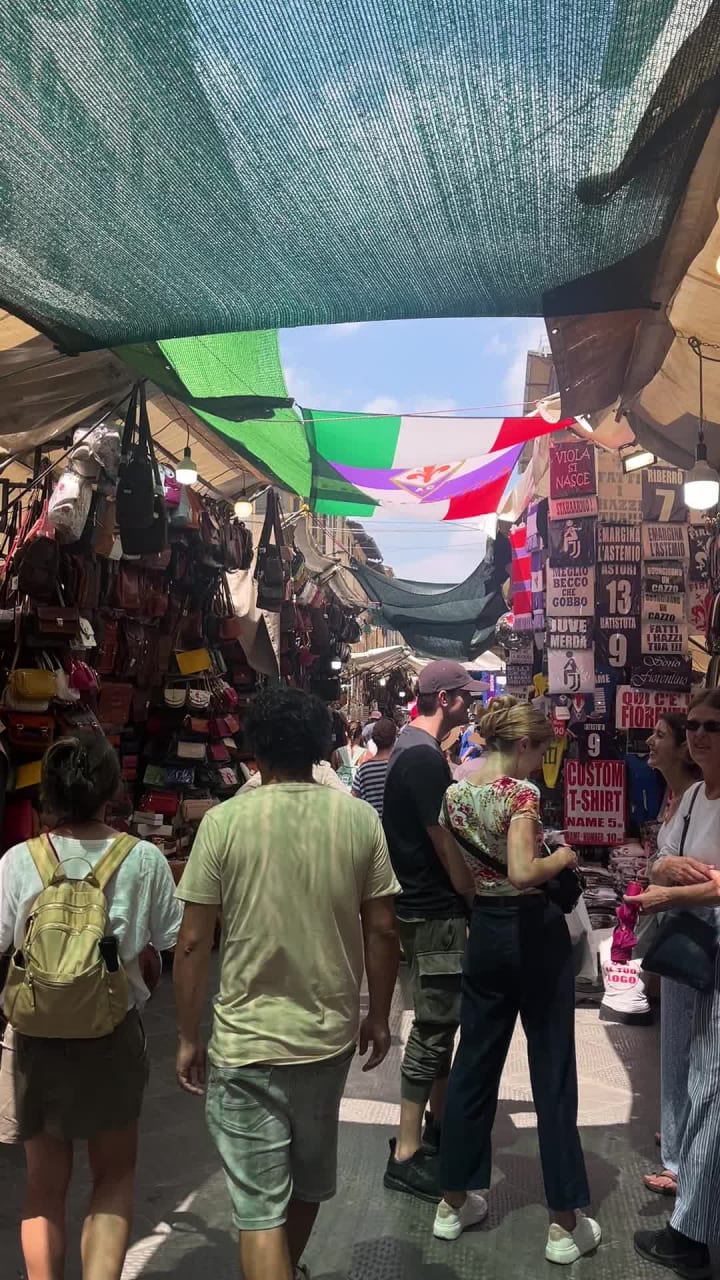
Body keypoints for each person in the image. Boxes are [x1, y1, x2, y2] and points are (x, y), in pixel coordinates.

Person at [173, 688, 400, 1280]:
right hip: (326, 1040)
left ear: (256, 753)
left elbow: (193, 941)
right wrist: (378, 1014)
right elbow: (382, 930)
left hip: (246, 1045)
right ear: (322, 748)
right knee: (305, 1186)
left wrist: (187, 1034)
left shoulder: (223, 824)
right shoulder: (358, 820)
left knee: (257, 1211)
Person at [0, 733, 182, 1280]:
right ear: (111, 791)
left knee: (42, 1188)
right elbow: (174, 938)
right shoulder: (144, 858)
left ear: (46, 795)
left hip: (33, 1037)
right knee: (112, 1177)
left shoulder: (17, 861)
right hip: (111, 1035)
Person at [434, 696, 601, 1265]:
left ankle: (452, 1203)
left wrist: (486, 900)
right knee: (551, 1069)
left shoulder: (455, 794)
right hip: (533, 933)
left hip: (485, 930)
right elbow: (524, 872)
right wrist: (564, 857)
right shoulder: (521, 795)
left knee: (473, 1065)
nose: (539, 764)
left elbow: (461, 876)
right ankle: (563, 1224)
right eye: (540, 751)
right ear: (523, 745)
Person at [382, 659, 482, 1202]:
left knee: (440, 1024)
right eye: (465, 698)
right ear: (444, 699)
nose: (471, 707)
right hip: (434, 911)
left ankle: (435, 1130)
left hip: (422, 908)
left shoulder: (411, 750)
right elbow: (442, 839)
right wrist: (472, 893)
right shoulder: (422, 758)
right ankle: (407, 1152)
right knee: (434, 1028)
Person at [631, 689, 720, 1279]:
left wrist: (675, 892)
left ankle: (691, 1229)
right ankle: (690, 1193)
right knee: (690, 1072)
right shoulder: (691, 797)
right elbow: (663, 853)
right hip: (693, 952)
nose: (698, 735)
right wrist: (667, 870)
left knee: (711, 1083)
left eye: (712, 725)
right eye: (691, 725)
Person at [642, 714, 703, 1198]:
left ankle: (681, 1160)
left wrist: (664, 882)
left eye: (661, 735)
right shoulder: (684, 800)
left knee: (689, 1049)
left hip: (697, 936)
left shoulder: (697, 801)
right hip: (680, 934)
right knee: (677, 1044)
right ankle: (679, 1138)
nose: (650, 741)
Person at [352, 717, 397, 816]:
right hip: (395, 827)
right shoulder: (398, 767)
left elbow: (354, 798)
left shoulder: (364, 769)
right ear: (394, 739)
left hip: (371, 825)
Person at [333, 722, 365, 787]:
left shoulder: (336, 753)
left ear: (346, 733)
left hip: (341, 790)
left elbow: (333, 774)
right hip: (357, 789)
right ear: (360, 735)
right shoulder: (366, 754)